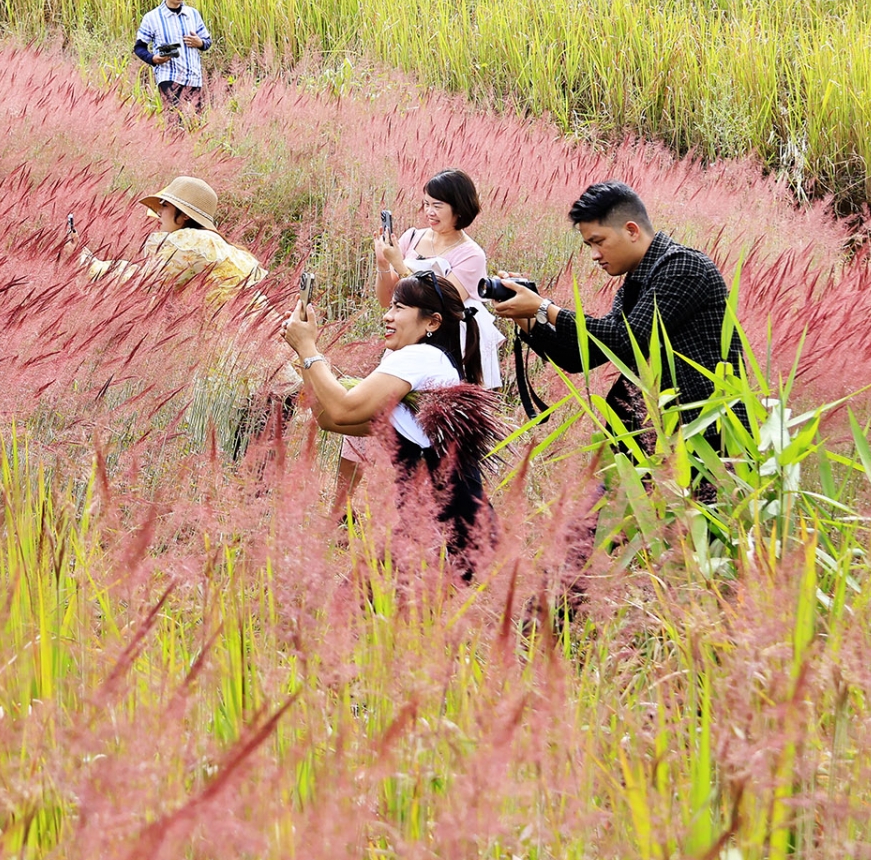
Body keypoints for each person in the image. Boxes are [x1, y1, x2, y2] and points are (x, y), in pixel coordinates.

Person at [281, 271, 501, 580]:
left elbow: (344, 409)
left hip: (443, 539)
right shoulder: (433, 369)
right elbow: (330, 419)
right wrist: (304, 353)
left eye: (399, 308)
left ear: (432, 323)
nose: (388, 315)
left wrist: (308, 350)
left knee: (353, 616)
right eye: (391, 306)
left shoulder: (421, 356)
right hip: (449, 535)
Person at [488, 182, 729, 437]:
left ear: (631, 230)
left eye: (598, 241)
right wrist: (527, 317)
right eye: (589, 245)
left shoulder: (684, 266)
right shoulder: (635, 283)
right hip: (656, 438)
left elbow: (627, 338)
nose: (594, 255)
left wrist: (544, 307)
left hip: (706, 438)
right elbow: (581, 356)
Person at [374, 168, 506, 390]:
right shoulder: (412, 237)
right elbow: (386, 299)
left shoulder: (471, 255)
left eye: (437, 206)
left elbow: (442, 302)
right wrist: (383, 264)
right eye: (426, 204)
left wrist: (399, 264)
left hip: (448, 343)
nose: (429, 212)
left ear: (459, 208)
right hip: (408, 334)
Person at [79, 176, 265, 305]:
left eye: (165, 205)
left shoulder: (191, 242)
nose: (159, 212)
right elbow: (152, 275)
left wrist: (84, 263)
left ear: (184, 214)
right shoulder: (212, 244)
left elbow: (144, 283)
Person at [134, 0, 212, 130]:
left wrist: (200, 43)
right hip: (168, 77)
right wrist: (153, 59)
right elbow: (139, 47)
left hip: (193, 78)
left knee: (195, 125)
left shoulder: (192, 14)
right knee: (175, 124)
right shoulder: (152, 17)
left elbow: (207, 42)